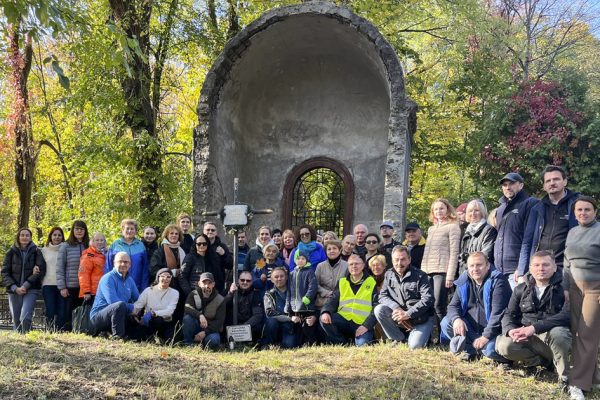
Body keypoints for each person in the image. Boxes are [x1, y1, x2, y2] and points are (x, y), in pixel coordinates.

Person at [496, 251, 571, 386]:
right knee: (504, 346)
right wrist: (510, 330)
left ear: (554, 267)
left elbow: (567, 315)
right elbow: (508, 314)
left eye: (545, 265)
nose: (541, 268)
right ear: (530, 268)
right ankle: (541, 363)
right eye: (536, 265)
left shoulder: (566, 287)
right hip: (529, 338)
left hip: (553, 338)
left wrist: (534, 328)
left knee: (559, 334)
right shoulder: (521, 289)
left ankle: (566, 380)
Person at [441, 252, 511, 362]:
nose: (475, 269)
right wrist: (456, 319)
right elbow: (453, 306)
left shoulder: (498, 281)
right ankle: (471, 351)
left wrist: (485, 337)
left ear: (488, 266)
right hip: (471, 330)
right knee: (446, 322)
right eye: (472, 266)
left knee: (490, 350)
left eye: (479, 265)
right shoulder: (464, 280)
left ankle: (497, 357)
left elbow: (498, 314)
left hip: (494, 332)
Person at [563, 196, 600, 400]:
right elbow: (566, 262)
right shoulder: (572, 232)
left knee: (587, 334)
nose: (583, 213)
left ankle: (577, 384)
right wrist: (565, 287)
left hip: (595, 288)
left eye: (587, 209)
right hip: (574, 287)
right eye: (579, 210)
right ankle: (593, 378)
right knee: (577, 333)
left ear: (595, 211)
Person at [518, 166, 579, 282]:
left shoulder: (576, 205)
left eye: (556, 179)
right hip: (540, 269)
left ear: (565, 181)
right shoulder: (537, 209)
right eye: (548, 181)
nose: (552, 183)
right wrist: (522, 272)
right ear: (544, 186)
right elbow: (527, 242)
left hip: (567, 269)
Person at [374, 246, 434, 349]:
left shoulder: (421, 276)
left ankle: (422, 336)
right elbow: (383, 296)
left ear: (409, 260)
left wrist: (408, 314)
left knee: (415, 346)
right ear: (392, 260)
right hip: (400, 317)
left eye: (403, 259)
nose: (399, 263)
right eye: (396, 260)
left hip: (421, 318)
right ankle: (398, 339)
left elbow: (428, 299)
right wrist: (396, 308)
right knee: (379, 309)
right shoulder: (389, 274)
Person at [421, 199, 461, 334]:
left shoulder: (453, 227)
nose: (438, 211)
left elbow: (454, 252)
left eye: (441, 208)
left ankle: (442, 337)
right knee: (428, 304)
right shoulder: (431, 229)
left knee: (439, 305)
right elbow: (427, 252)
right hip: (427, 271)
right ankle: (430, 336)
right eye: (436, 209)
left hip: (442, 271)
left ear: (448, 209)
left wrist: (450, 275)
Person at [320, 255, 377, 346]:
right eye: (351, 264)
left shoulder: (372, 282)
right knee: (324, 319)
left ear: (363, 265)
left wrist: (366, 326)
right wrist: (326, 312)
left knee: (363, 346)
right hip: (344, 320)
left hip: (362, 323)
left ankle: (357, 341)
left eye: (357, 264)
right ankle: (343, 344)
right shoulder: (342, 282)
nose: (354, 266)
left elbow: (376, 307)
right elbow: (332, 300)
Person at [493, 172, 538, 289]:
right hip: (499, 270)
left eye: (512, 183)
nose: (508, 187)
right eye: (504, 185)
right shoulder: (500, 209)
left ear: (521, 185)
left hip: (517, 272)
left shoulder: (530, 203)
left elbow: (530, 239)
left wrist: (522, 269)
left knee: (521, 305)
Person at [1, 228, 46, 333]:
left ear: (30, 237)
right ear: (18, 237)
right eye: (22, 235)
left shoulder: (36, 252)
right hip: (14, 290)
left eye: (27, 235)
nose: (24, 237)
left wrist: (25, 286)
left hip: (31, 289)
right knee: (16, 320)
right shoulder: (11, 252)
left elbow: (40, 270)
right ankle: (19, 342)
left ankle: (26, 338)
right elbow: (5, 272)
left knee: (25, 317)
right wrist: (14, 287)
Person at [90, 252, 140, 339]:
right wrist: (133, 307)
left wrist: (141, 308)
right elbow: (113, 302)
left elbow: (138, 299)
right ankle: (118, 336)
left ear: (130, 264)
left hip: (119, 315)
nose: (123, 264)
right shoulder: (108, 278)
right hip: (99, 317)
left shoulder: (130, 280)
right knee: (119, 305)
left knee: (141, 310)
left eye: (126, 262)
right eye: (120, 261)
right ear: (114, 263)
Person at [56, 220, 90, 331]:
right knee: (67, 312)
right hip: (70, 286)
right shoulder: (65, 246)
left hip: (85, 287)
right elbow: (60, 267)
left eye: (82, 229)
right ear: (73, 230)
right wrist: (62, 287)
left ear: (85, 231)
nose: (79, 231)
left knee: (82, 312)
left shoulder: (89, 246)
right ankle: (65, 332)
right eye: (77, 229)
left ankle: (80, 331)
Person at [149, 224, 186, 321]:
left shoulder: (182, 251)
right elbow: (153, 270)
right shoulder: (160, 251)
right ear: (167, 235)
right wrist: (171, 272)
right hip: (164, 288)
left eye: (176, 234)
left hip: (180, 286)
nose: (174, 235)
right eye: (171, 233)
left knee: (178, 312)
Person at [133, 268, 179, 343]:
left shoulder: (175, 293)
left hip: (166, 322)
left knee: (171, 342)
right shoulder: (148, 290)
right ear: (158, 277)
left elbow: (170, 311)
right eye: (163, 276)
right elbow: (139, 304)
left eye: (168, 277)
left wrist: (153, 313)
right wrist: (133, 314)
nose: (165, 279)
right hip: (149, 322)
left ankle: (159, 338)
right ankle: (150, 337)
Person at [182, 272, 226, 348]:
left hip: (210, 330)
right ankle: (188, 343)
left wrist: (205, 332)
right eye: (204, 283)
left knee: (214, 341)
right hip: (195, 326)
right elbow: (187, 308)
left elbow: (219, 322)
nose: (207, 286)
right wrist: (200, 315)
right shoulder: (193, 294)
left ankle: (201, 345)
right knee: (187, 319)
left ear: (213, 284)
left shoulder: (220, 299)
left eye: (209, 283)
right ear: (199, 284)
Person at [105, 219, 149, 293]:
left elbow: (145, 269)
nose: (129, 231)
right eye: (127, 228)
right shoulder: (115, 244)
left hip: (136, 286)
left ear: (135, 231)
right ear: (122, 230)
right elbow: (108, 266)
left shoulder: (140, 245)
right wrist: (109, 285)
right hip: (118, 286)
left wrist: (144, 288)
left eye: (132, 229)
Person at [286, 251, 318, 345]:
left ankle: (312, 343)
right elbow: (289, 290)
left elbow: (313, 286)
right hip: (295, 307)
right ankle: (300, 344)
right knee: (298, 327)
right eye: (298, 258)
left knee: (308, 326)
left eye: (303, 259)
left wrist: (308, 297)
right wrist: (288, 305)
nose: (300, 260)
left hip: (306, 306)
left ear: (306, 260)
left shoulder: (310, 272)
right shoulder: (292, 274)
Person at [459, 199, 497, 275]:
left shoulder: (489, 230)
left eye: (476, 210)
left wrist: (472, 266)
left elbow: (486, 255)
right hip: (465, 273)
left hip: (481, 273)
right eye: (470, 211)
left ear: (482, 212)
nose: (473, 213)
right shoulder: (467, 232)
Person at [262, 267, 297, 348]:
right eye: (276, 277)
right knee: (271, 321)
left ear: (287, 277)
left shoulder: (294, 292)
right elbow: (270, 313)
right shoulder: (268, 294)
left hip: (289, 326)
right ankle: (269, 344)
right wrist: (289, 318)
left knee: (290, 345)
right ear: (271, 280)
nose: (279, 279)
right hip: (275, 325)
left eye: (282, 276)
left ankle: (278, 345)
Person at [224, 270, 264, 341]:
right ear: (238, 280)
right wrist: (230, 294)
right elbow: (222, 306)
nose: (245, 282)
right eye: (242, 280)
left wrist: (243, 327)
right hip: (231, 326)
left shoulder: (255, 295)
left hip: (248, 326)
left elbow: (257, 315)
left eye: (248, 281)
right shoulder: (230, 291)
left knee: (258, 327)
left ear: (251, 282)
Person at [41, 226, 64, 330]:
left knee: (61, 310)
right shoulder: (43, 251)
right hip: (48, 284)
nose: (57, 237)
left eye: (59, 235)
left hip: (63, 285)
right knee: (50, 309)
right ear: (50, 236)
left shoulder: (65, 249)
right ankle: (49, 331)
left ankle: (60, 332)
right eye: (54, 235)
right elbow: (39, 265)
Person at [315, 240, 348, 310]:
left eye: (334, 248)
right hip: (322, 303)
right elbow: (315, 284)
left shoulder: (346, 266)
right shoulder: (320, 266)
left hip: (341, 303)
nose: (331, 251)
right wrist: (325, 292)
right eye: (329, 249)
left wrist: (336, 294)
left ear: (340, 251)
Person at [203, 221, 233, 292]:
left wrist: (223, 254)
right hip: (202, 282)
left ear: (216, 232)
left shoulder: (222, 246)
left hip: (217, 284)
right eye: (208, 230)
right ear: (203, 231)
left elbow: (230, 265)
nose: (210, 232)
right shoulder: (199, 245)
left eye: (212, 230)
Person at [78, 232, 107, 302]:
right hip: (92, 293)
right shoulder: (88, 255)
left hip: (103, 291)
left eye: (102, 240)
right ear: (92, 242)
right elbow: (83, 274)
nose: (100, 242)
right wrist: (86, 291)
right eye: (97, 240)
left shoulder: (105, 254)